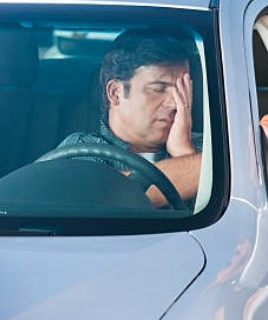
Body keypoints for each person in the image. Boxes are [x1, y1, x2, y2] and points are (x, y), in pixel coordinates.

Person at [58, 29, 202, 208]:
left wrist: (184, 151)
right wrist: (193, 164)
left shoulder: (207, 148)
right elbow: (102, 199)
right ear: (115, 93)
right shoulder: (81, 150)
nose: (175, 104)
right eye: (158, 89)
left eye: (181, 90)